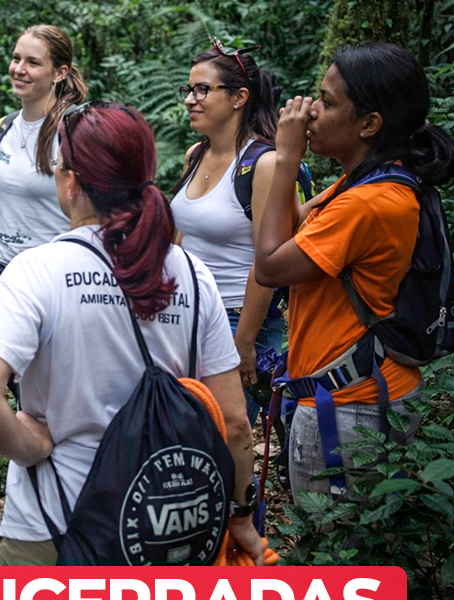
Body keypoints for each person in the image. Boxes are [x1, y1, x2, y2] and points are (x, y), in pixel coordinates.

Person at [0, 102, 262, 566]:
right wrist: (240, 514)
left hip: (53, 520)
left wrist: (30, 447)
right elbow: (235, 422)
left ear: (71, 181)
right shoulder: (192, 274)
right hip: (161, 522)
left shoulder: (37, 271)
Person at [255, 43, 454, 498]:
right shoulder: (369, 179)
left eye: (327, 102)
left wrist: (286, 160)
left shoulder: (368, 203)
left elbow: (270, 267)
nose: (312, 111)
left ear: (369, 124)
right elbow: (295, 230)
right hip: (355, 394)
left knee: (331, 539)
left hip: (351, 407)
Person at [169, 40, 291, 426]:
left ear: (239, 98)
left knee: (224, 434)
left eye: (202, 89)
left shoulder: (264, 164)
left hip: (237, 320)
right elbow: (182, 237)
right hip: (186, 313)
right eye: (189, 89)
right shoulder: (195, 155)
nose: (190, 99)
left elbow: (266, 260)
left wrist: (244, 343)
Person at [0, 25, 88, 320]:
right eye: (16, 58)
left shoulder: (75, 131)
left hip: (55, 273)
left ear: (59, 73)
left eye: (33, 62)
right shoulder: (2, 129)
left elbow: (97, 207)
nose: (19, 69)